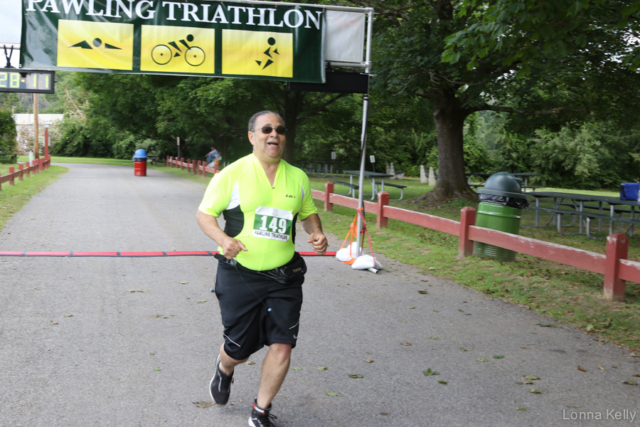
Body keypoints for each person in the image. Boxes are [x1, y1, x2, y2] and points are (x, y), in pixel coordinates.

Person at [196, 111, 328, 427]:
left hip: (284, 276)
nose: (274, 135)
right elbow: (204, 215)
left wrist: (316, 232)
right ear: (252, 135)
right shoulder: (232, 174)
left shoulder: (298, 177)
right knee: (240, 349)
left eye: (280, 130)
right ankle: (225, 365)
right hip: (239, 272)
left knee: (283, 343)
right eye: (266, 129)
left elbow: (308, 213)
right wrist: (222, 238)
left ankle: (260, 411)